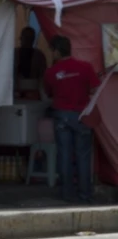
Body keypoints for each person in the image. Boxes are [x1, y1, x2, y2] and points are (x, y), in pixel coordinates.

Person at [43, 35, 100, 204]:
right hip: (82, 116)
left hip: (62, 116)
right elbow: (95, 88)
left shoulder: (51, 72)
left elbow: (48, 93)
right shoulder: (85, 67)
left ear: (57, 51)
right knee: (83, 156)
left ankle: (67, 195)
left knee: (65, 155)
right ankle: (85, 195)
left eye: (52, 51)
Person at [13, 26, 47, 100]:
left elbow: (43, 76)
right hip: (15, 90)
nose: (28, 40)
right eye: (26, 37)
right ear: (21, 38)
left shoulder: (39, 56)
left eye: (30, 38)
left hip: (33, 91)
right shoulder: (13, 54)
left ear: (33, 39)